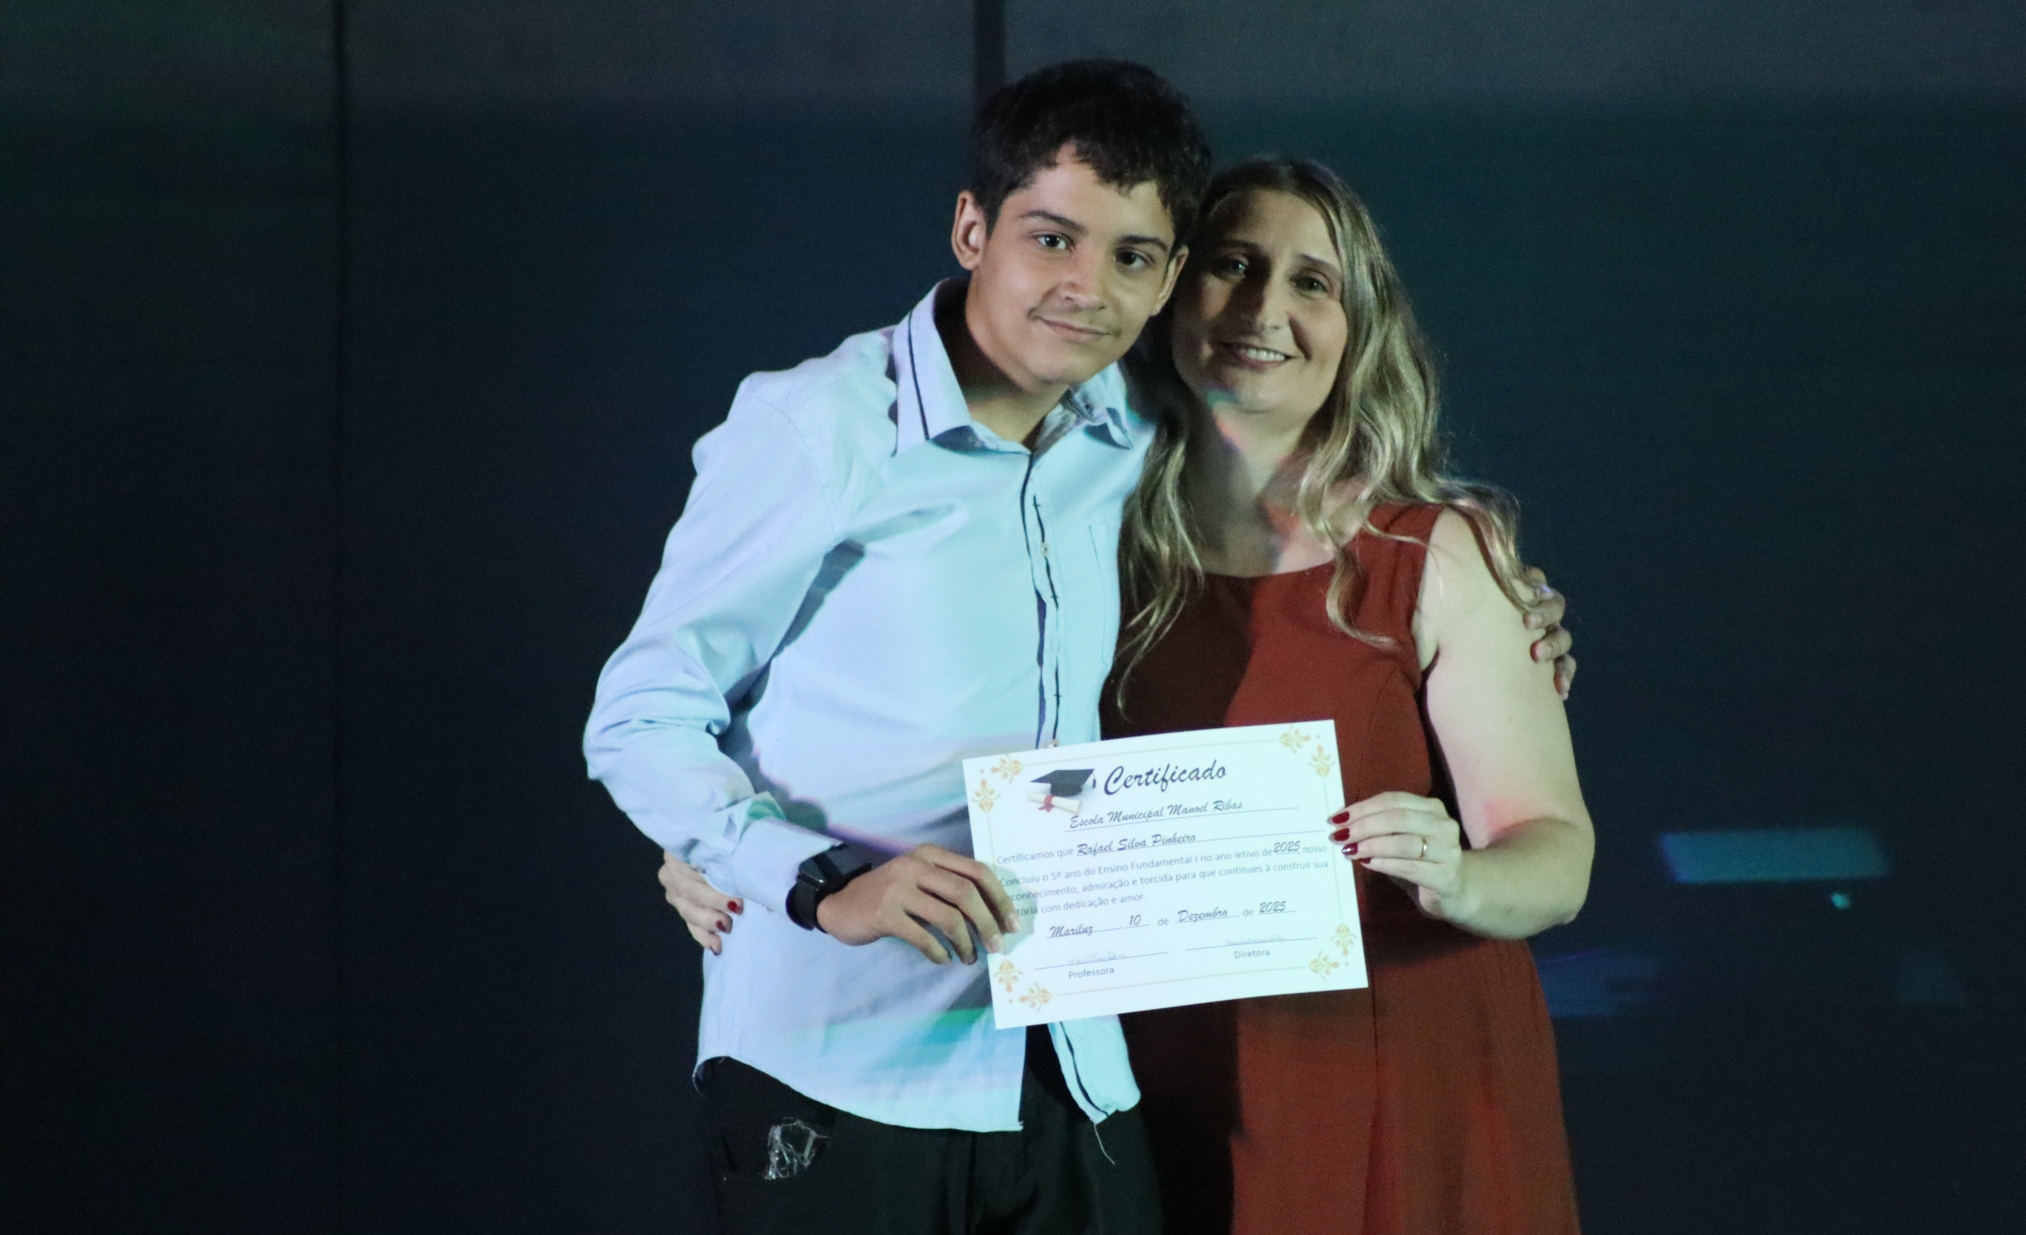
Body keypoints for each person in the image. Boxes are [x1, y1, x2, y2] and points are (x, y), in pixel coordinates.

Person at [583, 61, 1210, 1234]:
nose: (1087, 287)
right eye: (1051, 238)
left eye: (1132, 256)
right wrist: (810, 879)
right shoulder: (818, 425)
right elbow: (644, 714)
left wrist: (1501, 592)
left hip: (1066, 1063)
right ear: (972, 229)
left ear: (1169, 277)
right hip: (836, 1067)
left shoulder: (1144, 433)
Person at [1106, 156, 1593, 1235]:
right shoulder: (1077, 540)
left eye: (1311, 282)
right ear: (1173, 289)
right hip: (1155, 1072)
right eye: (1233, 265)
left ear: (1359, 327)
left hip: (1399, 1068)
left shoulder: (1435, 553)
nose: (1263, 307)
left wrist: (1459, 875)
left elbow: (1557, 854)